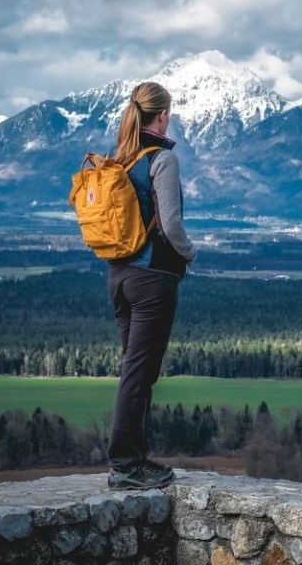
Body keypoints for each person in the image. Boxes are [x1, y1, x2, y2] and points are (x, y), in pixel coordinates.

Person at [106, 81, 197, 490]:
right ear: (163, 115)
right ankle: (126, 464)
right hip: (153, 278)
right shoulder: (162, 158)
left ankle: (135, 459)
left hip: (119, 276)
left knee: (134, 370)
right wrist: (190, 254)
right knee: (140, 374)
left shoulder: (119, 158)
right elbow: (171, 224)